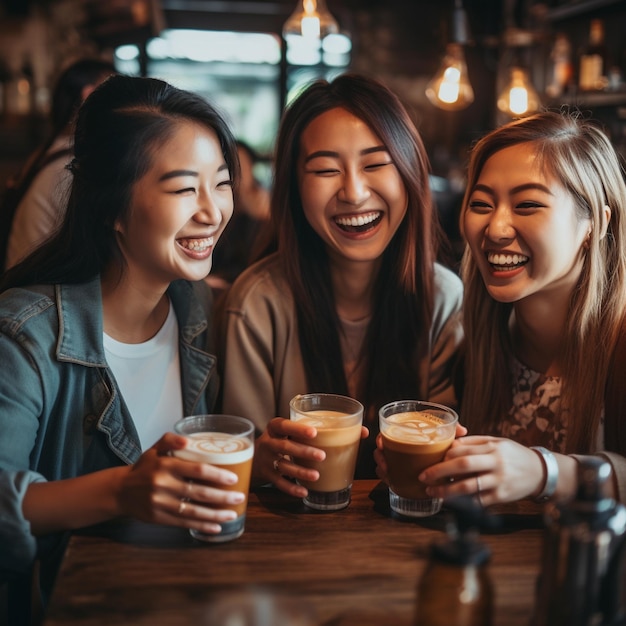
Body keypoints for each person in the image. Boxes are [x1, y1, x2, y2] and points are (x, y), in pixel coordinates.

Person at [0, 74, 241, 612]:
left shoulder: (192, 311)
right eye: (184, 188)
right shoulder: (24, 334)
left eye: (221, 182)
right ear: (112, 206)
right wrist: (120, 491)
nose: (213, 210)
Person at [218, 73, 464, 498]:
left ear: (409, 171)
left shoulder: (443, 298)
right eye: (326, 170)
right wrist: (261, 458)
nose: (353, 192)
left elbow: (445, 448)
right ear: (294, 188)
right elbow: (245, 463)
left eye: (375, 164)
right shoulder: (257, 302)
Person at [409, 110, 626, 505]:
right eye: (481, 204)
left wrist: (549, 472)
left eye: (527, 205)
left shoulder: (619, 344)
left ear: (594, 221)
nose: (495, 229)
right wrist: (428, 470)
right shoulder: (476, 341)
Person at [3, 57, 118, 271]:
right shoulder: (71, 166)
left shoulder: (49, 150)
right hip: (37, 295)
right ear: (90, 95)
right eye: (119, 97)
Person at [207, 140, 271, 292]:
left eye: (241, 166)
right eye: (228, 167)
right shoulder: (215, 209)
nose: (235, 174)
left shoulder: (264, 211)